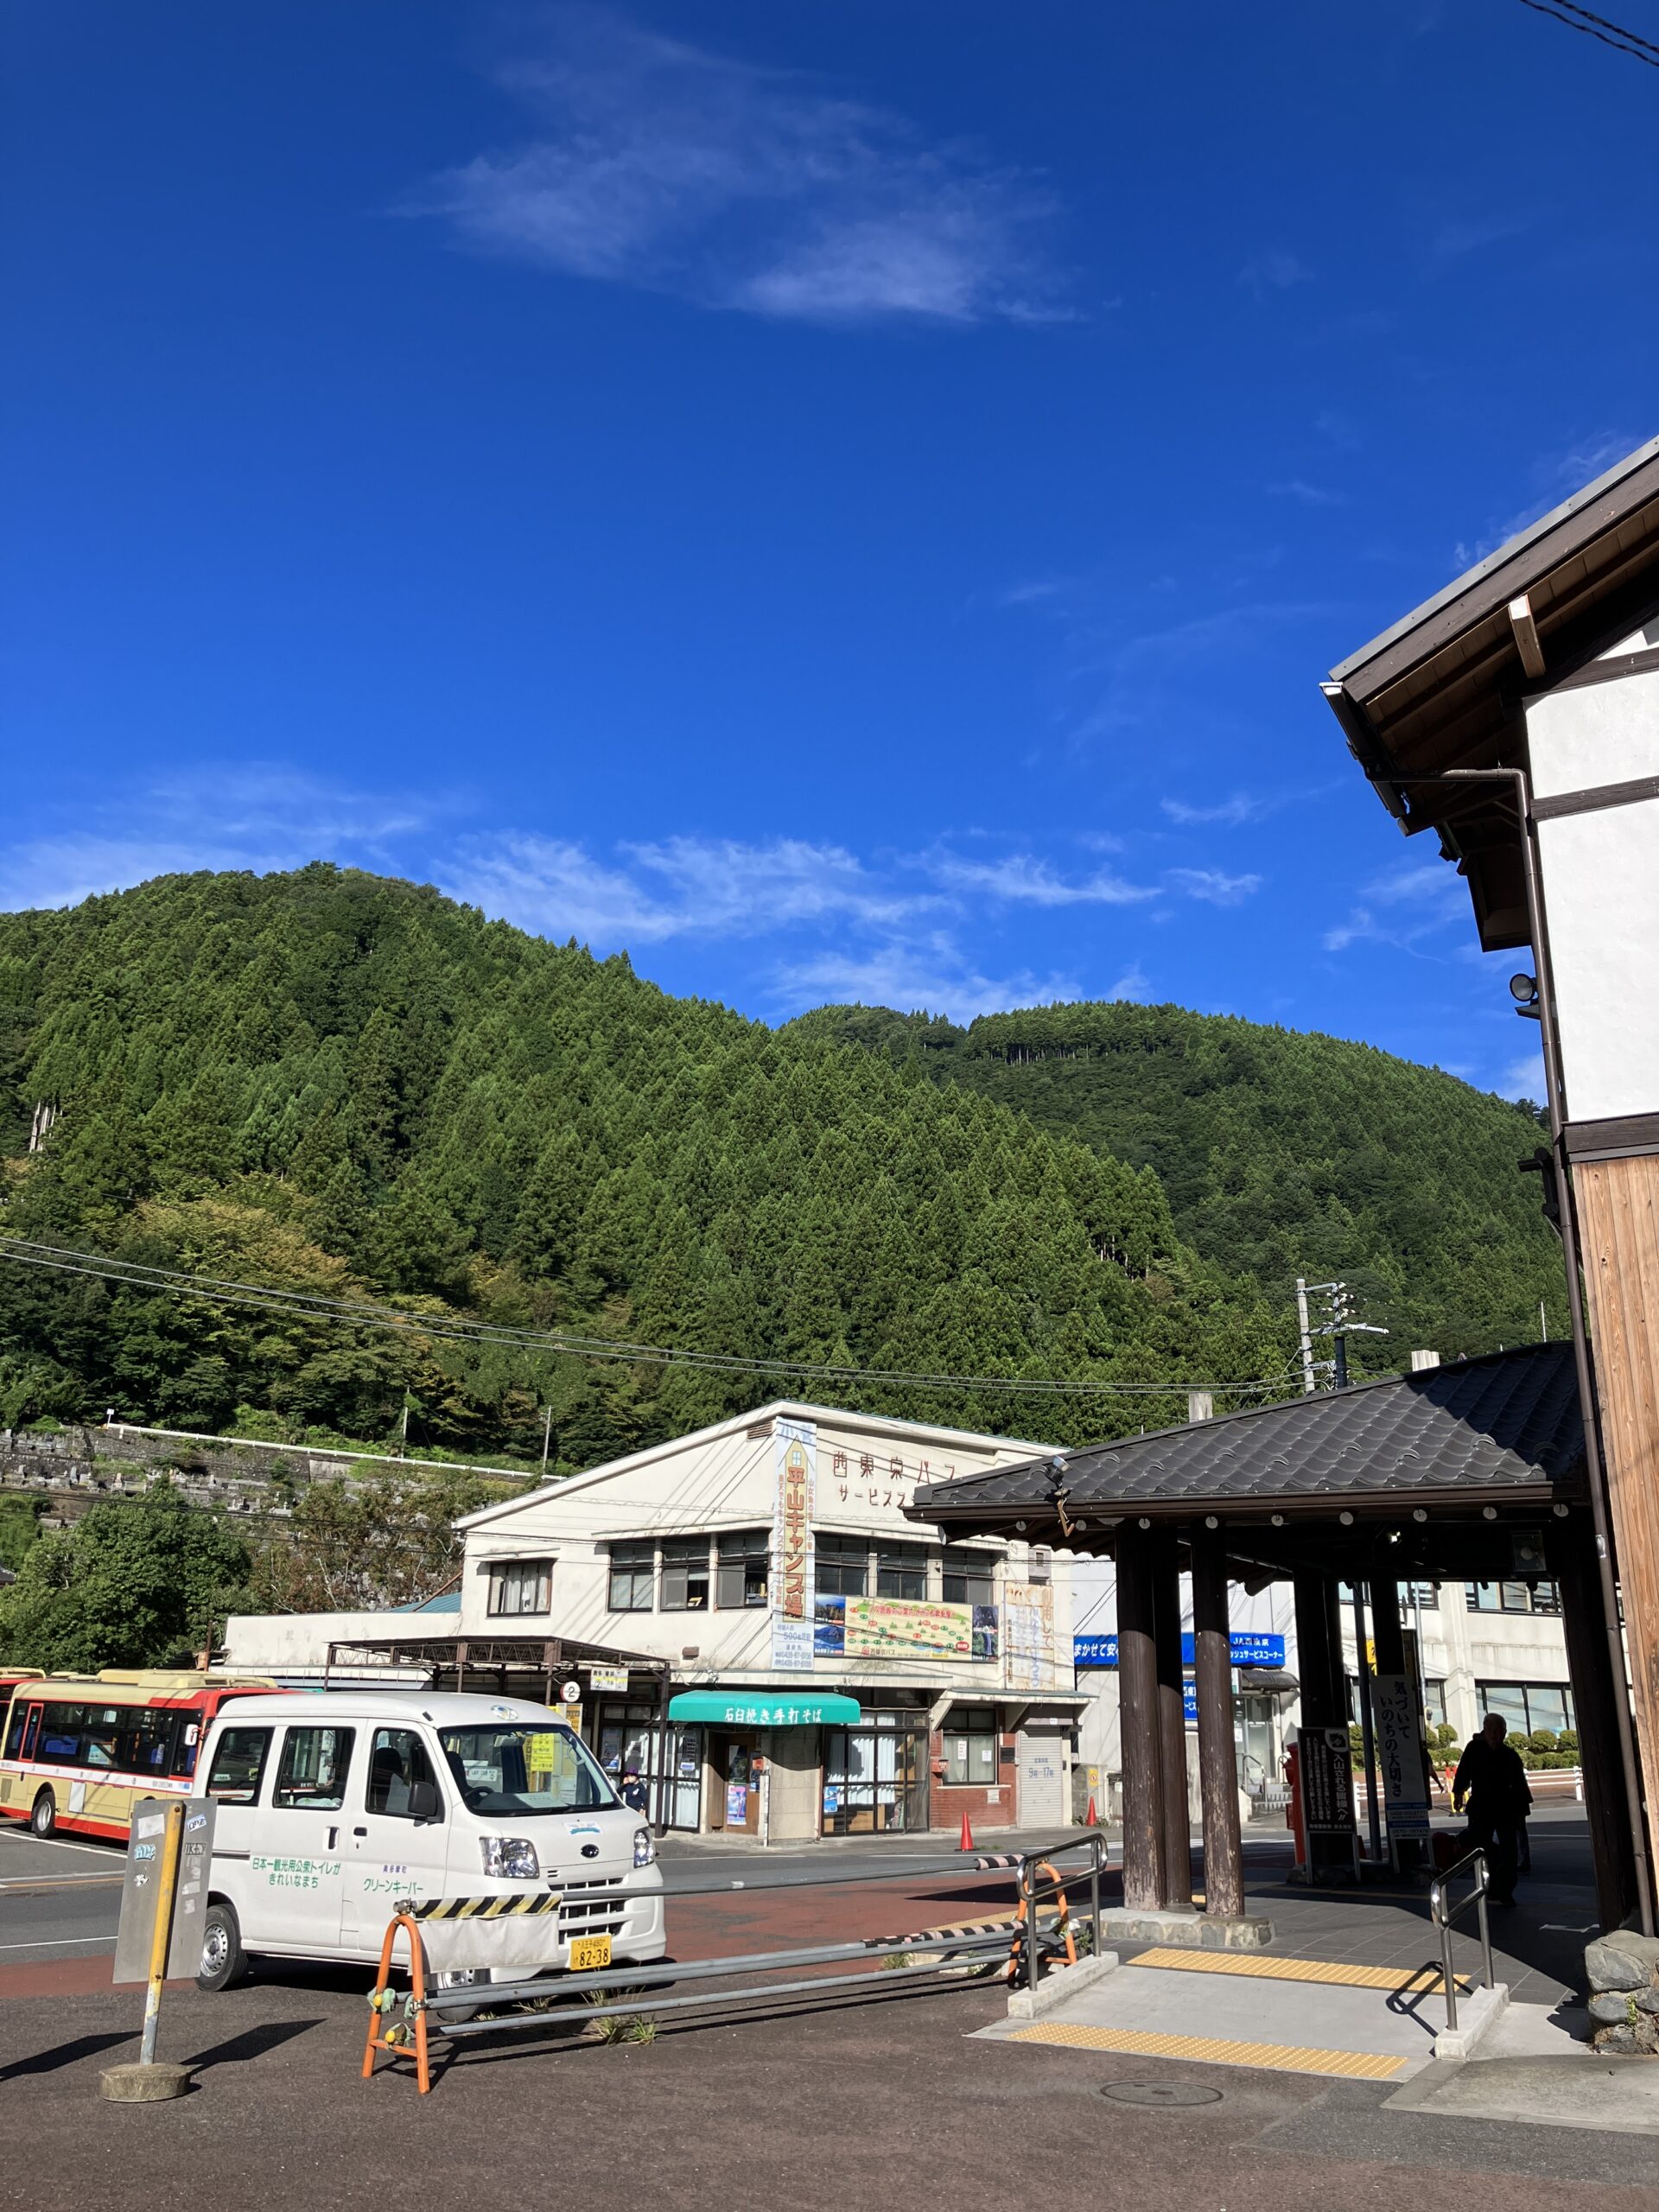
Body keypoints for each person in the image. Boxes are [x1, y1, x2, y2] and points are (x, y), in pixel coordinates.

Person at [1452, 1713, 1533, 1906]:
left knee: (1510, 1852)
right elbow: (1463, 1772)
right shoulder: (1474, 1749)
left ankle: (1504, 1891)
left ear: (1505, 1733)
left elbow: (1520, 1786)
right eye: (1491, 1731)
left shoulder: (1510, 1756)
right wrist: (1458, 1794)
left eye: (1499, 1732)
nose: (1495, 1736)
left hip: (1507, 1809)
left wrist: (1522, 1813)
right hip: (1481, 1807)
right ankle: (1489, 1887)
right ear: (1485, 1731)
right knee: (1482, 1847)